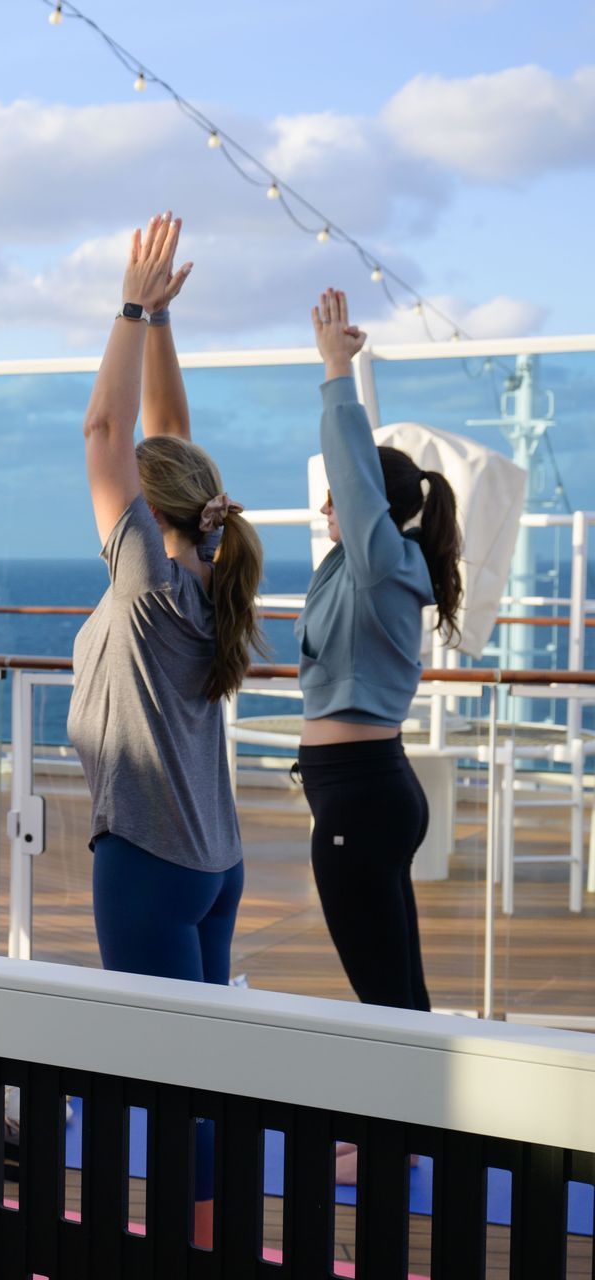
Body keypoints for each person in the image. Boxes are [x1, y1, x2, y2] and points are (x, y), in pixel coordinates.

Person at [67, 214, 263, 1246]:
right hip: (214, 860)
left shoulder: (144, 578)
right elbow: (163, 441)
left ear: (149, 513)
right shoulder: (206, 566)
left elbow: (106, 434)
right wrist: (167, 329)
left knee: (164, 1083)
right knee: (204, 1073)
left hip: (148, 860)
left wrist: (134, 308)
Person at [296, 288, 461, 1014]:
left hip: (362, 796)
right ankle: (415, 1128)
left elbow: (359, 485)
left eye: (337, 497)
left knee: (384, 997)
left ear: (370, 507)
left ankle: (392, 1130)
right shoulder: (357, 571)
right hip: (362, 790)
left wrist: (337, 370)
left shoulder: (383, 562)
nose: (327, 506)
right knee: (397, 991)